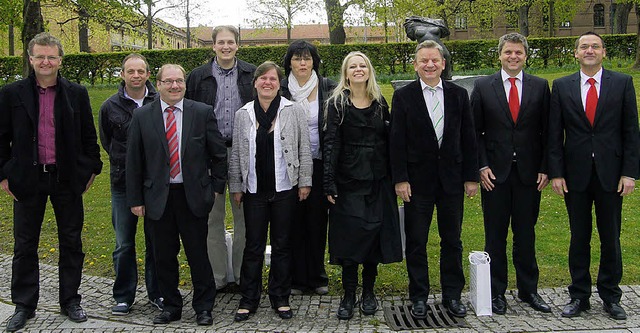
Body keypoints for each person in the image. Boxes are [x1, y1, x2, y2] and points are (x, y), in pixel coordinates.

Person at [0, 32, 102, 332]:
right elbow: (0, 138)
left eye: (51, 57)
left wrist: (91, 170)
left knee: (71, 242)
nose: (46, 62)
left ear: (60, 60)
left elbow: (88, 138)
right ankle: (24, 305)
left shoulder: (76, 93)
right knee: (25, 244)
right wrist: (5, 175)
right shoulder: (10, 94)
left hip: (66, 179)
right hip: (26, 180)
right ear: (31, 59)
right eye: (40, 57)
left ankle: (70, 299)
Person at [126, 64, 228, 325]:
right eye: (169, 81)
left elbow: (218, 155)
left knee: (198, 255)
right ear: (157, 84)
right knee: (163, 256)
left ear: (185, 84)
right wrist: (136, 199)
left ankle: (204, 307)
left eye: (179, 81)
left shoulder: (201, 113)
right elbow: (134, 161)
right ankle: (171, 306)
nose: (174, 86)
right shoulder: (143, 116)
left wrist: (215, 189)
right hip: (157, 198)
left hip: (192, 196)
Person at [548, 31, 640, 320]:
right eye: (584, 46)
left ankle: (611, 296)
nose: (589, 50)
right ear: (575, 53)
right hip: (574, 176)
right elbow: (553, 135)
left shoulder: (622, 83)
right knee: (579, 237)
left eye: (595, 46)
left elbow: (630, 132)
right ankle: (579, 295)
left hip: (611, 175)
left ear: (603, 52)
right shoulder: (561, 87)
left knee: (610, 237)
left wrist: (629, 173)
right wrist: (556, 173)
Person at [390, 40, 478, 319]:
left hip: (452, 180)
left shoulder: (458, 95)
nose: (429, 65)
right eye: (424, 61)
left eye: (434, 60)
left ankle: (452, 296)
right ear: (415, 65)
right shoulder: (404, 97)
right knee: (417, 241)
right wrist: (400, 179)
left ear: (443, 63)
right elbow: (397, 142)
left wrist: (471, 177)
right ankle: (419, 296)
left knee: (452, 240)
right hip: (417, 183)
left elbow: (469, 138)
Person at [470, 33, 551, 315]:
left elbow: (548, 132)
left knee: (525, 234)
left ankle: (529, 290)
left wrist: (545, 167)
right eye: (508, 52)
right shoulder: (483, 86)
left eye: (518, 53)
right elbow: (473, 132)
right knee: (495, 235)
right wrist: (481, 165)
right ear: (500, 55)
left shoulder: (540, 87)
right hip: (494, 174)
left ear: (525, 56)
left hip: (530, 173)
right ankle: (496, 292)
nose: (513, 57)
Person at [229, 61, 312, 322]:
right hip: (254, 190)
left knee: (282, 244)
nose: (267, 83)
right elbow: (236, 154)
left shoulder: (293, 110)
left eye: (273, 79)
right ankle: (248, 298)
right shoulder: (243, 114)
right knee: (253, 245)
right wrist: (236, 186)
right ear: (255, 83)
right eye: (263, 78)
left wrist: (305, 182)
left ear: (279, 84)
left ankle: (280, 296)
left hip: (285, 188)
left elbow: (304, 149)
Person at [323, 51, 403, 320]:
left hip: (379, 180)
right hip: (348, 182)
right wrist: (329, 181)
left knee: (373, 239)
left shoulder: (380, 102)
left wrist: (397, 177)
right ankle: (348, 294)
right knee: (349, 240)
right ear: (346, 73)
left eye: (362, 66)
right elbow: (331, 143)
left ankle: (368, 291)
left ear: (369, 71)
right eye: (352, 66)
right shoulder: (337, 104)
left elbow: (390, 141)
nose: (358, 70)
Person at [186, 25, 256, 291]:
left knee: (245, 217)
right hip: (209, 154)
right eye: (221, 42)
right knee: (212, 216)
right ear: (213, 46)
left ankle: (241, 276)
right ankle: (215, 278)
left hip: (242, 152)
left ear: (237, 45)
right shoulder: (198, 77)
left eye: (231, 42)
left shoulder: (251, 74)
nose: (226, 46)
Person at [98, 53, 163, 315]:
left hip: (156, 184)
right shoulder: (109, 106)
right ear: (122, 74)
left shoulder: (160, 101)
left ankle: (157, 293)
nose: (136, 76)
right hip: (122, 184)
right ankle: (124, 295)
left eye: (141, 71)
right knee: (124, 243)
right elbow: (108, 142)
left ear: (148, 74)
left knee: (156, 242)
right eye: (130, 71)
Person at [280, 40, 336, 296]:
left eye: (307, 58)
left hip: (318, 162)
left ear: (314, 61)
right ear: (289, 62)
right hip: (288, 165)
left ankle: (316, 276)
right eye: (297, 58)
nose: (302, 63)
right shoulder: (281, 89)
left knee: (316, 220)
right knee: (291, 221)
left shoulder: (327, 88)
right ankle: (295, 278)